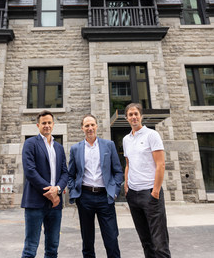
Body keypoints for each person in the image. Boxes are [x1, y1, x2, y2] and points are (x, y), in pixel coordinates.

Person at [68, 114, 123, 258]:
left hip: (105, 197)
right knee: (87, 240)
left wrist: (115, 191)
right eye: (87, 126)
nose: (90, 128)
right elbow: (70, 174)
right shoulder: (76, 149)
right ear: (82, 128)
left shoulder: (108, 145)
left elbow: (118, 171)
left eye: (92, 125)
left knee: (111, 238)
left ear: (97, 126)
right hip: (85, 197)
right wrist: (74, 191)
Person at [123, 103, 171, 258]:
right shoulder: (126, 139)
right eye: (130, 114)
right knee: (145, 241)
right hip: (133, 195)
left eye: (136, 113)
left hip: (150, 193)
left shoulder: (152, 135)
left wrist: (155, 191)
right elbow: (128, 164)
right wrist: (126, 186)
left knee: (159, 243)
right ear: (127, 118)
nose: (133, 117)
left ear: (141, 116)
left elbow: (160, 164)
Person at [21, 110, 68, 258]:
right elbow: (30, 171)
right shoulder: (30, 144)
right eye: (44, 123)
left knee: (53, 247)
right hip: (35, 202)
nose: (47, 125)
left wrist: (58, 189)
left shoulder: (59, 147)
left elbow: (65, 172)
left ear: (53, 125)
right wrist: (51, 192)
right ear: (38, 125)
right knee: (30, 248)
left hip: (55, 205)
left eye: (49, 123)